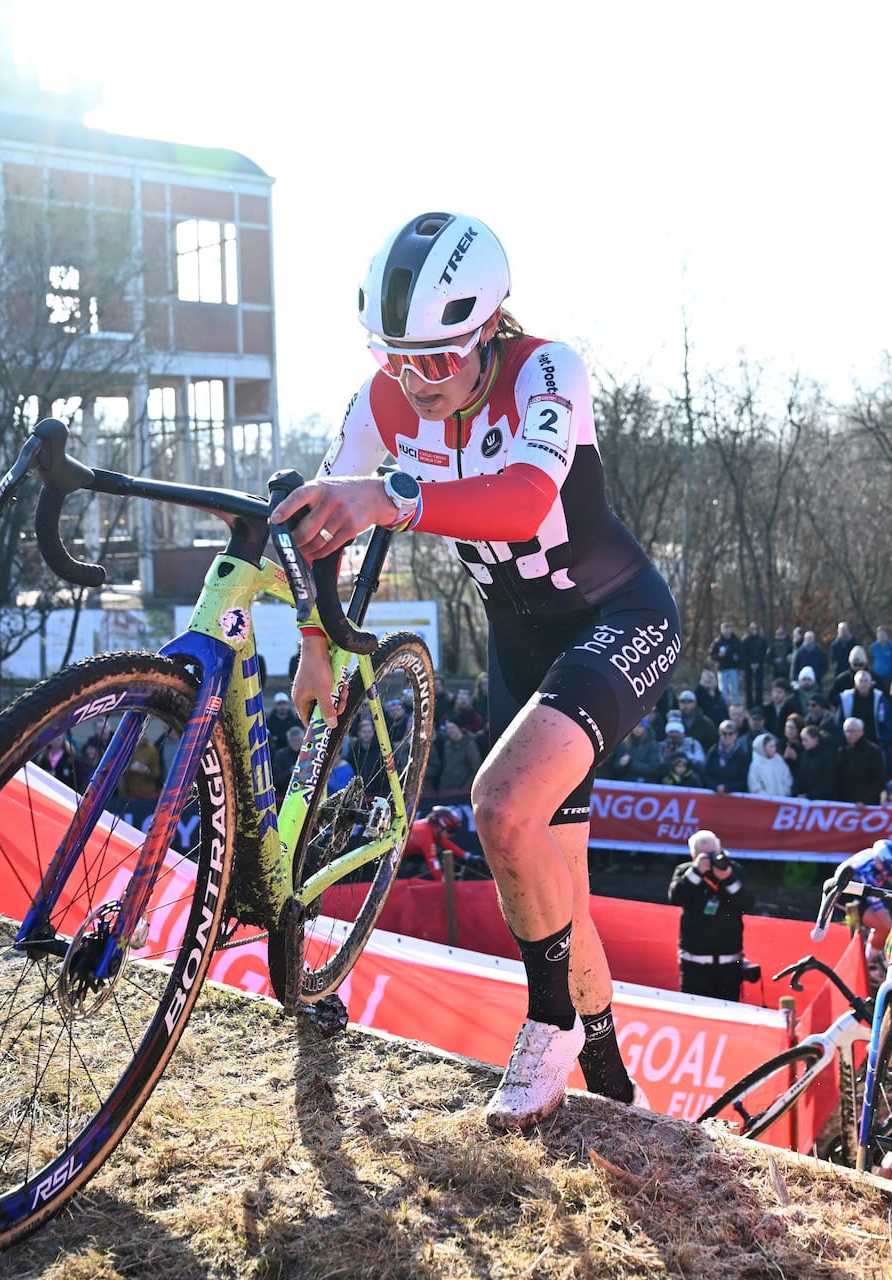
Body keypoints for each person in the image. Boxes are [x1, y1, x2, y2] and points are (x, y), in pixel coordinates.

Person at [279, 211, 675, 1128]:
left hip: (616, 616)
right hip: (520, 643)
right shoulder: (382, 399)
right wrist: (314, 643)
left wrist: (390, 496)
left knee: (498, 807)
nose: (415, 382)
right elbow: (324, 526)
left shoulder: (547, 369)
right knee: (555, 883)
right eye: (395, 358)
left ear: (490, 326)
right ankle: (615, 1081)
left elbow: (525, 499)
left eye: (436, 358)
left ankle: (548, 1025)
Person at [668, 831, 755, 1000]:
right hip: (694, 964)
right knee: (694, 1010)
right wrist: (696, 872)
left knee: (728, 1009)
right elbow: (676, 897)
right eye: (704, 855)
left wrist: (728, 878)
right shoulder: (685, 871)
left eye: (714, 854)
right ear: (694, 855)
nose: (711, 859)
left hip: (729, 963)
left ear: (720, 849)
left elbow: (747, 903)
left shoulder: (734, 870)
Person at [836, 716, 888, 805]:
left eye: (852, 731)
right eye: (846, 731)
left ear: (861, 731)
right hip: (846, 804)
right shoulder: (841, 751)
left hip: (867, 805)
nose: (848, 734)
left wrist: (864, 800)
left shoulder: (873, 751)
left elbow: (880, 780)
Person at [428, 717, 484, 792]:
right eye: (448, 729)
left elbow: (475, 768)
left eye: (452, 728)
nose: (450, 731)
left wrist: (465, 788)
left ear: (459, 728)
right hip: (446, 790)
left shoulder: (469, 745)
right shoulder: (447, 745)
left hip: (463, 791)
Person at [607, 717, 665, 783]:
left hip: (646, 784)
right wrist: (621, 764)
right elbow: (616, 767)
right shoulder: (625, 744)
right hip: (626, 783)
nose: (637, 729)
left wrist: (631, 763)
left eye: (640, 726)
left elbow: (653, 769)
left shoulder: (653, 745)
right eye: (635, 726)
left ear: (645, 728)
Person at [793, 725, 838, 800]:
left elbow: (829, 782)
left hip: (821, 800)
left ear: (816, 739)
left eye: (806, 740)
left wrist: (809, 795)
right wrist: (797, 792)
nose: (803, 743)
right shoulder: (804, 756)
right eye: (802, 740)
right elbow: (799, 776)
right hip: (804, 799)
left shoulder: (828, 757)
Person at [702, 720, 749, 793]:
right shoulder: (712, 752)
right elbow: (705, 775)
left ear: (736, 735)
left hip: (733, 796)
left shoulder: (742, 755)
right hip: (713, 795)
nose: (727, 736)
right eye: (724, 733)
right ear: (720, 734)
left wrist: (727, 788)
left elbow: (743, 780)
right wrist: (715, 787)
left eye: (730, 733)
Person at [747, 732, 793, 796]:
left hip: (783, 798)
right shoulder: (756, 765)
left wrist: (785, 793)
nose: (774, 749)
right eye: (771, 746)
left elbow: (787, 778)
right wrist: (769, 798)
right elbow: (755, 787)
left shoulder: (779, 760)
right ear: (763, 748)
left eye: (774, 746)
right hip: (765, 801)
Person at [711, 622, 744, 708]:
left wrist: (741, 668)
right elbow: (712, 655)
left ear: (731, 630)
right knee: (723, 690)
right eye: (724, 629)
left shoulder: (736, 641)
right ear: (721, 630)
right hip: (722, 669)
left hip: (734, 668)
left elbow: (741, 655)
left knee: (734, 689)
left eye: (728, 629)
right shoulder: (717, 642)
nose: (726, 631)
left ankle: (735, 706)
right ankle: (724, 707)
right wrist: (719, 655)